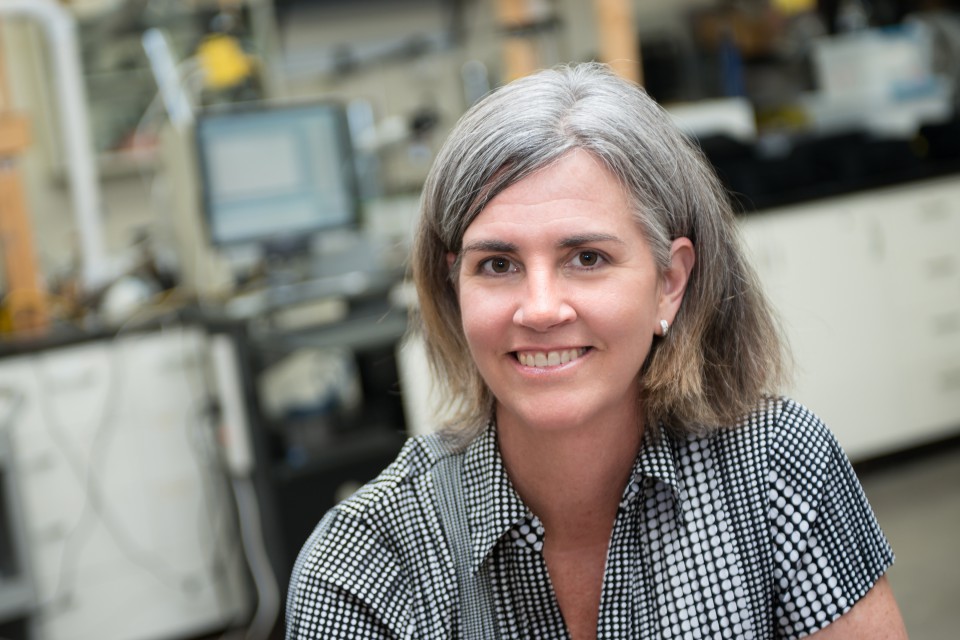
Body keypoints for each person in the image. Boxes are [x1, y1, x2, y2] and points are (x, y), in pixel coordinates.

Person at [285, 62, 908, 639]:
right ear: (453, 287)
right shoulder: (363, 562)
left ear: (670, 282)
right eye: (497, 264)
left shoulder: (778, 471)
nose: (540, 308)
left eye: (588, 258)